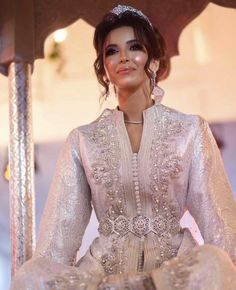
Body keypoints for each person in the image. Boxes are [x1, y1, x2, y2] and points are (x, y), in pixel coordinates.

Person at [11, 5, 236, 290]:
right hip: (102, 278)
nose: (124, 58)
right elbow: (57, 240)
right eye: (112, 51)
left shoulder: (190, 130)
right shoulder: (84, 140)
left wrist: (225, 268)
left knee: (215, 261)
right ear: (104, 70)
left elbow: (222, 225)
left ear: (152, 61)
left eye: (135, 47)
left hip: (173, 274)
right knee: (31, 276)